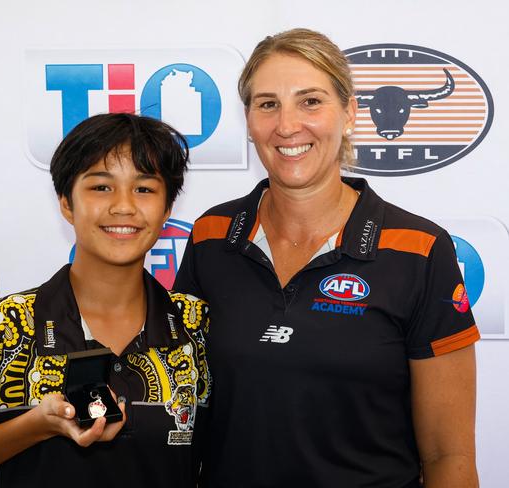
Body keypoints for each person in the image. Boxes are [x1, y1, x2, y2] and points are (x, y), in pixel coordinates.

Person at [174, 28, 479, 488]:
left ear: (350, 112)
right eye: (268, 103)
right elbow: (180, 405)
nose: (287, 125)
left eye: (311, 101)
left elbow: (448, 455)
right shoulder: (211, 237)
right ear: (249, 120)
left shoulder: (419, 249)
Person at [0, 113, 211, 488]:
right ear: (66, 202)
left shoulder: (198, 324)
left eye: (144, 189)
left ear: (166, 210)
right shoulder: (11, 323)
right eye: (101, 187)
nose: (124, 207)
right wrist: (35, 426)